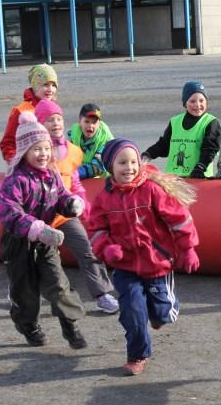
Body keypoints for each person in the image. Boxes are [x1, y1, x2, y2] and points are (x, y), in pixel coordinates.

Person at [86, 138, 200, 376]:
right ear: (110, 167)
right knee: (132, 311)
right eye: (122, 163)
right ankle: (137, 355)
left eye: (133, 162)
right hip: (125, 265)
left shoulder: (151, 189)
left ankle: (158, 314)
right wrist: (106, 248)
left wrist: (188, 248)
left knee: (162, 313)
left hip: (157, 263)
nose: (129, 168)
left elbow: (179, 219)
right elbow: (95, 229)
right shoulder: (104, 198)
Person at [0, 111, 88, 349]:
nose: (43, 154)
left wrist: (70, 204)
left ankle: (70, 325)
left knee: (58, 283)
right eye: (36, 149)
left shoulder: (52, 175)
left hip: (46, 241)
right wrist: (34, 227)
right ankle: (28, 325)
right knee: (25, 290)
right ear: (24, 151)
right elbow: (8, 210)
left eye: (46, 148)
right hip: (19, 242)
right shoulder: (15, 180)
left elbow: (61, 196)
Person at [34, 99, 120, 314]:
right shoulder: (33, 150)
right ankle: (21, 292)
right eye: (49, 120)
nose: (55, 123)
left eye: (58, 119)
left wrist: (81, 201)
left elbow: (75, 180)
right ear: (39, 123)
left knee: (87, 250)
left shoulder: (71, 150)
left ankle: (102, 295)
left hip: (64, 214)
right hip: (37, 217)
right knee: (32, 258)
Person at [142, 81, 221, 178]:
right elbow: (164, 145)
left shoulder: (211, 122)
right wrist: (148, 154)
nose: (197, 105)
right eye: (192, 101)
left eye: (202, 101)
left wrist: (201, 166)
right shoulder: (175, 121)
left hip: (198, 177)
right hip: (173, 178)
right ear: (185, 103)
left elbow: (210, 149)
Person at [0, 63, 58, 163]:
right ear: (35, 85)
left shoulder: (54, 109)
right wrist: (17, 163)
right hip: (28, 169)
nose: (50, 89)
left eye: (53, 85)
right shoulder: (21, 111)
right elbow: (8, 143)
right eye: (45, 85)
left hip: (50, 167)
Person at [68, 103, 115, 179]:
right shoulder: (73, 135)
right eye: (87, 121)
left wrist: (73, 173)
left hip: (104, 180)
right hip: (82, 178)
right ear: (80, 121)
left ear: (99, 124)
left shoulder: (107, 141)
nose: (90, 125)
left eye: (94, 122)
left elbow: (97, 167)